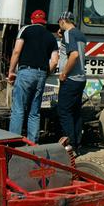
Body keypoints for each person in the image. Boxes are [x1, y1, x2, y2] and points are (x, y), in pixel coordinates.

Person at [7, 10, 58, 143]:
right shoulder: (51, 37)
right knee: (34, 112)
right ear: (44, 22)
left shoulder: (25, 30)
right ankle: (32, 144)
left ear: (31, 20)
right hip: (41, 74)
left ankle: (13, 142)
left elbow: (17, 51)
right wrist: (46, 74)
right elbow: (54, 61)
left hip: (25, 72)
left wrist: (11, 71)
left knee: (18, 109)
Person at [56, 11, 88, 151]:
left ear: (63, 21)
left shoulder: (69, 33)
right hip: (80, 78)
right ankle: (77, 143)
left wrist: (64, 73)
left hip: (70, 78)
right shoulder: (79, 34)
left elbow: (73, 55)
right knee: (75, 112)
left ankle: (69, 145)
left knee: (64, 111)